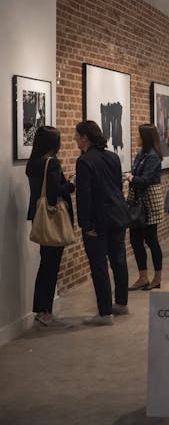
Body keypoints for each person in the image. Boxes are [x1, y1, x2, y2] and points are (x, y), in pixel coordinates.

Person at [75, 120, 130, 326]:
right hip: (117, 215)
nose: (75, 139)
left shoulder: (84, 162)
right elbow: (116, 186)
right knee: (119, 260)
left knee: (99, 266)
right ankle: (122, 303)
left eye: (77, 135)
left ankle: (105, 313)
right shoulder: (113, 157)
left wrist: (85, 225)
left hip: (98, 220)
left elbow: (84, 196)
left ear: (85, 138)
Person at [25, 126, 75, 328]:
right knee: (51, 266)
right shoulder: (51, 163)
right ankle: (46, 313)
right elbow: (54, 194)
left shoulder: (33, 163)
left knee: (45, 265)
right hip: (52, 218)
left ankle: (40, 310)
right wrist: (71, 183)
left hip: (39, 216)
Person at [126, 124, 164, 290]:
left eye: (139, 135)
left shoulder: (153, 156)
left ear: (146, 137)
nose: (136, 137)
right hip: (137, 200)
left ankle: (157, 277)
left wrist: (130, 178)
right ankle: (143, 276)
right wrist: (131, 178)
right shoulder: (141, 154)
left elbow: (145, 179)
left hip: (149, 200)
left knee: (151, 240)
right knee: (135, 239)